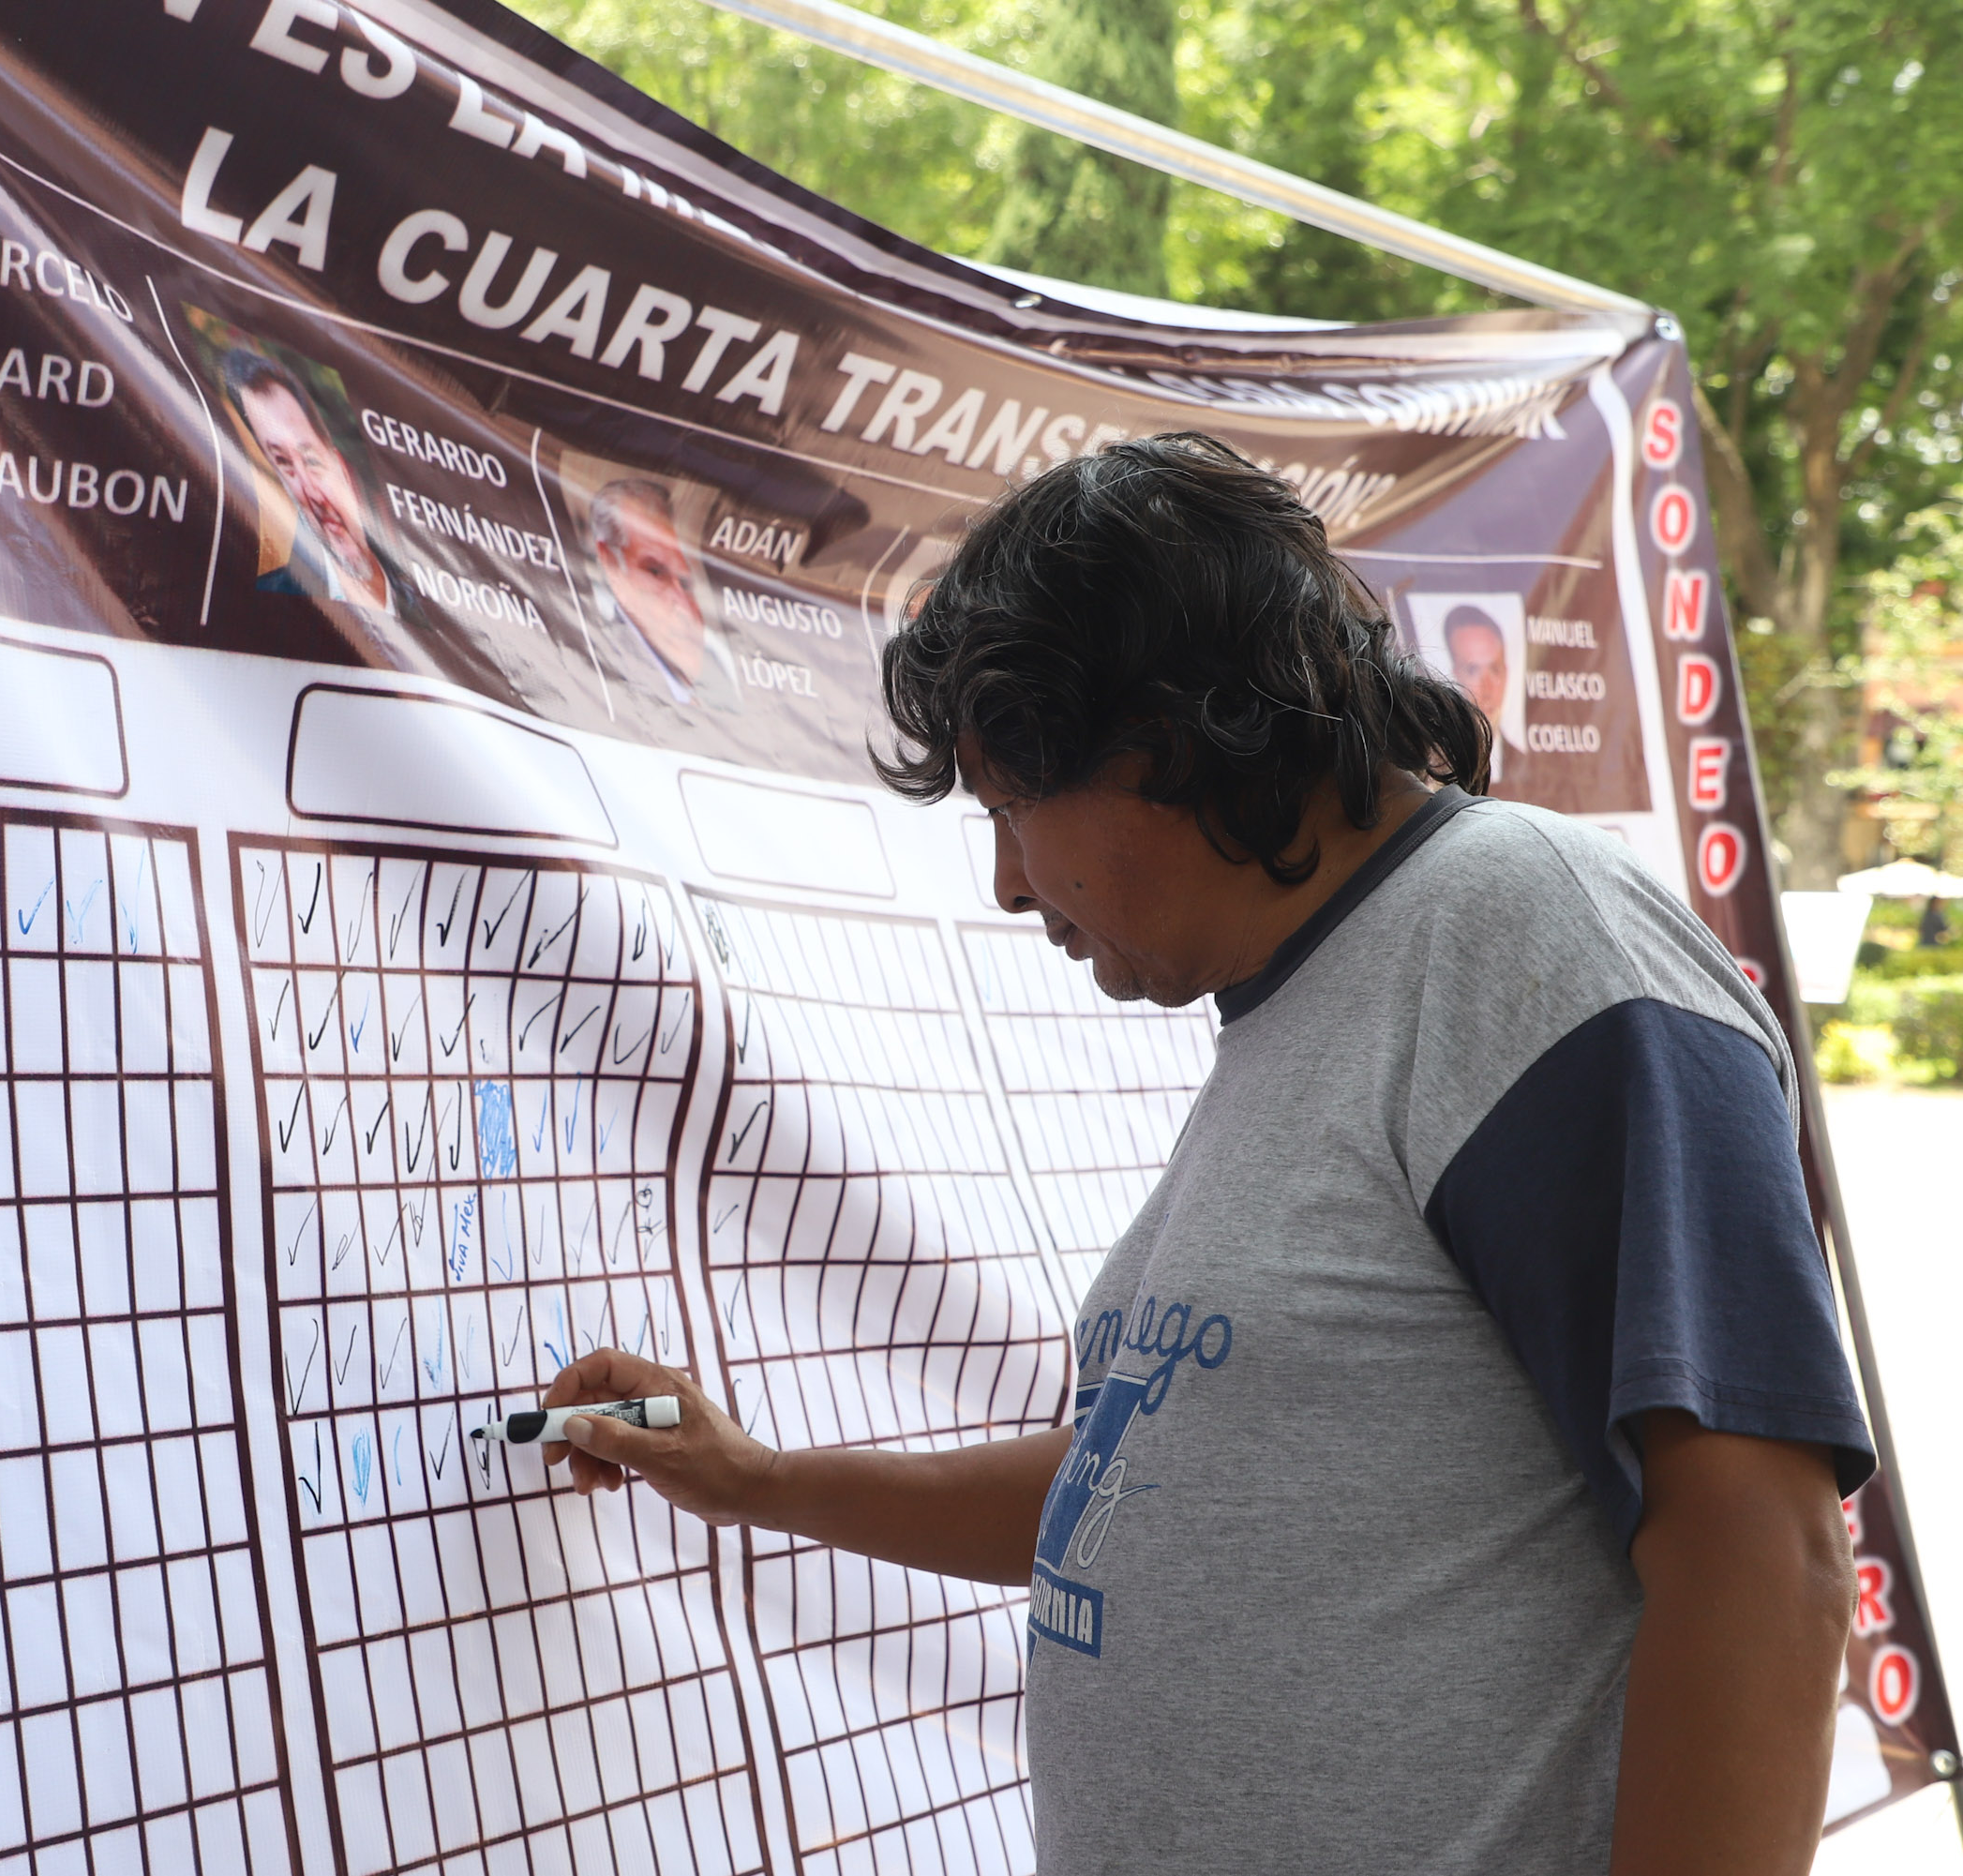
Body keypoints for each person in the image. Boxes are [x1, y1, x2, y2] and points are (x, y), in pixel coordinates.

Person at [542, 433, 1869, 1876]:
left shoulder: (1528, 929)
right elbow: (1153, 1489)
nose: (1004, 881)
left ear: (1161, 742)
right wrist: (764, 1480)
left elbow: (1758, 1545)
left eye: (1008, 806)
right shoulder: (1301, 1016)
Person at [224, 350, 417, 623]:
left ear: (341, 466)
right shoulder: (271, 608)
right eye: (284, 464)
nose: (311, 493)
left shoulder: (419, 597)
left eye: (312, 460)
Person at [585, 477, 740, 709]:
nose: (685, 608)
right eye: (656, 573)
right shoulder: (601, 669)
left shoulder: (720, 671)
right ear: (611, 564)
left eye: (686, 584)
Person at [1444, 602, 1528, 784]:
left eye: (1495, 670)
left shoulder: (1530, 766)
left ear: (1506, 673)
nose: (1487, 688)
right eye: (1473, 670)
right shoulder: (1435, 769)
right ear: (1455, 675)